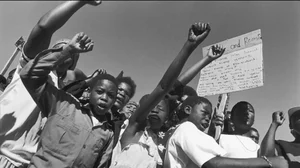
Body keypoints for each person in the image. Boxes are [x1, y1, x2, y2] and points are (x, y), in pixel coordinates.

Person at [0, 1, 101, 168]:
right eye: (58, 48)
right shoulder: (31, 68)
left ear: (73, 62)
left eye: (69, 50)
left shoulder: (62, 97)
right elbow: (43, 28)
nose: (63, 50)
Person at [110, 22, 212, 168]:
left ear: (167, 119)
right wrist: (190, 46)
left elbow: (174, 86)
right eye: (152, 106)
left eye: (162, 109)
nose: (155, 109)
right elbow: (165, 86)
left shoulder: (166, 143)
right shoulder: (134, 130)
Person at [20, 32, 117, 168]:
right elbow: (28, 74)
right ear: (89, 92)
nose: (104, 98)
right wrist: (68, 50)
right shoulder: (64, 103)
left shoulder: (108, 134)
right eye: (99, 92)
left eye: (111, 96)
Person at [164, 96, 288, 168]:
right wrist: (267, 162)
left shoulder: (256, 145)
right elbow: (213, 163)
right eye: (204, 113)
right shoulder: (187, 128)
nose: (208, 118)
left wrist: (274, 125)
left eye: (251, 111)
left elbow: (266, 155)